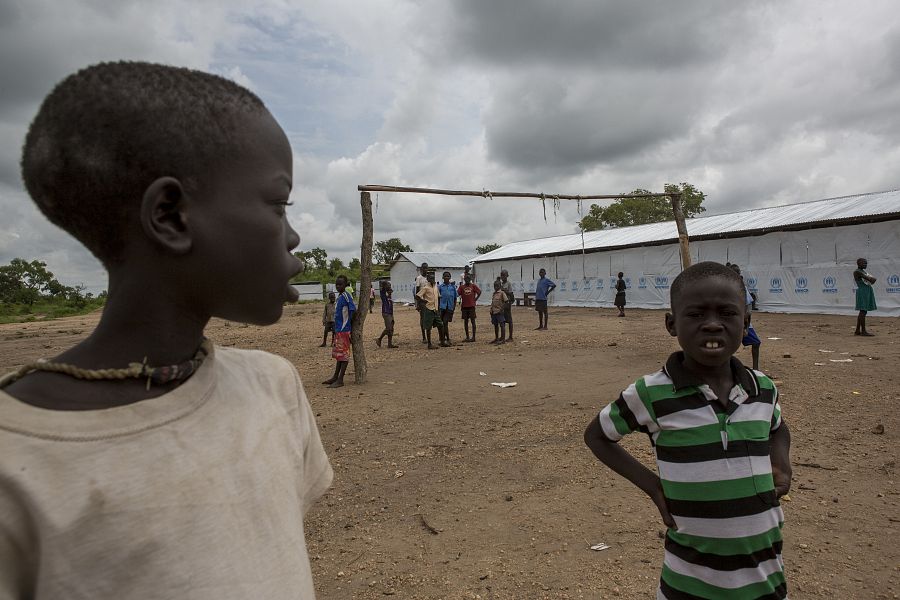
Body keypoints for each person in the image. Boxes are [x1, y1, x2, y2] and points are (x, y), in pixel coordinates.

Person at [0, 62, 332, 599]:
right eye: (278, 205)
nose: (292, 236)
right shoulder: (20, 470)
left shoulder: (274, 388)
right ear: (172, 215)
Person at [584, 262, 791, 599]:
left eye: (727, 313)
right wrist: (653, 487)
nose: (712, 324)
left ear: (746, 323)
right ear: (671, 324)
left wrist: (781, 463)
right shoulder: (651, 393)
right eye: (695, 315)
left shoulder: (762, 387)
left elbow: (778, 429)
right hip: (687, 584)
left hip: (764, 580)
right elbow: (597, 435)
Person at [324, 274, 354, 388]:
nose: (338, 286)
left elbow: (352, 310)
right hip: (339, 330)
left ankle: (340, 379)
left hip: (344, 330)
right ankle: (335, 377)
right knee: (339, 355)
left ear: (345, 285)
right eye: (336, 284)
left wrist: (348, 325)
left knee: (344, 355)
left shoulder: (346, 295)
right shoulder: (340, 297)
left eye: (340, 284)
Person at [730, 264, 761, 370]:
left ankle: (756, 371)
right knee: (726, 346)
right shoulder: (724, 288)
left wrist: (746, 328)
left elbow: (748, 311)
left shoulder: (742, 288)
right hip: (729, 322)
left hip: (742, 322)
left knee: (756, 343)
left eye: (738, 273)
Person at [416, 271, 445, 349]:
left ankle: (442, 342)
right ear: (428, 279)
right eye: (431, 278)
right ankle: (429, 344)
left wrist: (438, 308)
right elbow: (417, 296)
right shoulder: (425, 288)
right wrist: (423, 301)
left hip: (435, 309)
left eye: (433, 278)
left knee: (440, 325)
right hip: (428, 309)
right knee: (428, 327)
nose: (433, 279)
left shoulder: (436, 287)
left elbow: (438, 297)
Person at [853, 257, 877, 336]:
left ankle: (857, 330)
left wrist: (872, 279)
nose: (866, 264)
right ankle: (863, 331)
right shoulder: (857, 272)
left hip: (866, 291)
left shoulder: (862, 271)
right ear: (858, 263)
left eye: (866, 263)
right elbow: (871, 280)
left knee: (863, 311)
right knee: (863, 311)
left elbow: (872, 280)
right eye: (864, 263)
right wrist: (872, 278)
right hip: (863, 292)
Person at [458, 273, 482, 342]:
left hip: (471, 306)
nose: (467, 279)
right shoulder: (461, 287)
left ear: (470, 279)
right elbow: (457, 293)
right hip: (464, 307)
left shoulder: (473, 286)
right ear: (464, 279)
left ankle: (473, 337)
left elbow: (479, 292)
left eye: (468, 278)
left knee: (473, 321)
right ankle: (467, 337)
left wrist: (475, 299)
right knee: (465, 322)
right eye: (466, 278)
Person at [438, 271, 458, 347]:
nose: (446, 277)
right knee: (441, 324)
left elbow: (455, 298)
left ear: (450, 278)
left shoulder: (452, 287)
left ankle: (447, 339)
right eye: (445, 276)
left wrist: (453, 307)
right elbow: (438, 298)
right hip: (441, 307)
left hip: (449, 307)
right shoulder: (440, 287)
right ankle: (443, 339)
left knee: (445, 323)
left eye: (448, 276)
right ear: (443, 278)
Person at [376, 280, 398, 348]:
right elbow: (383, 287)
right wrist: (385, 285)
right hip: (386, 313)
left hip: (390, 313)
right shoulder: (383, 295)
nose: (390, 289)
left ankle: (389, 343)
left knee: (391, 328)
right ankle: (379, 339)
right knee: (388, 328)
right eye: (388, 287)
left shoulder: (389, 296)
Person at [489, 279, 509, 344]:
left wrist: (502, 309)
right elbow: (493, 302)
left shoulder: (502, 293)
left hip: (499, 312)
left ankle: (503, 339)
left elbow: (506, 302)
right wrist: (491, 309)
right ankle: (497, 338)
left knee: (502, 325)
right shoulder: (494, 294)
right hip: (494, 312)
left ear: (500, 286)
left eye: (497, 286)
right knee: (495, 325)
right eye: (495, 286)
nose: (496, 287)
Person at [499, 269, 515, 341]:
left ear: (507, 276)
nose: (502, 277)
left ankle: (510, 337)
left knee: (509, 320)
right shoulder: (501, 284)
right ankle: (503, 336)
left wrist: (505, 291)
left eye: (504, 275)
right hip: (502, 304)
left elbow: (511, 293)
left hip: (507, 303)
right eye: (501, 275)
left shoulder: (508, 284)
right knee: (503, 320)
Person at [415, 262, 429, 343]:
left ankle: (428, 336)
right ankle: (424, 337)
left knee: (429, 318)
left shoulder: (429, 278)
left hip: (429, 301)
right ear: (421, 269)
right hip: (422, 302)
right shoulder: (419, 278)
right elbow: (417, 292)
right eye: (424, 268)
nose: (425, 269)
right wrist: (418, 304)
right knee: (423, 319)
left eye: (426, 268)